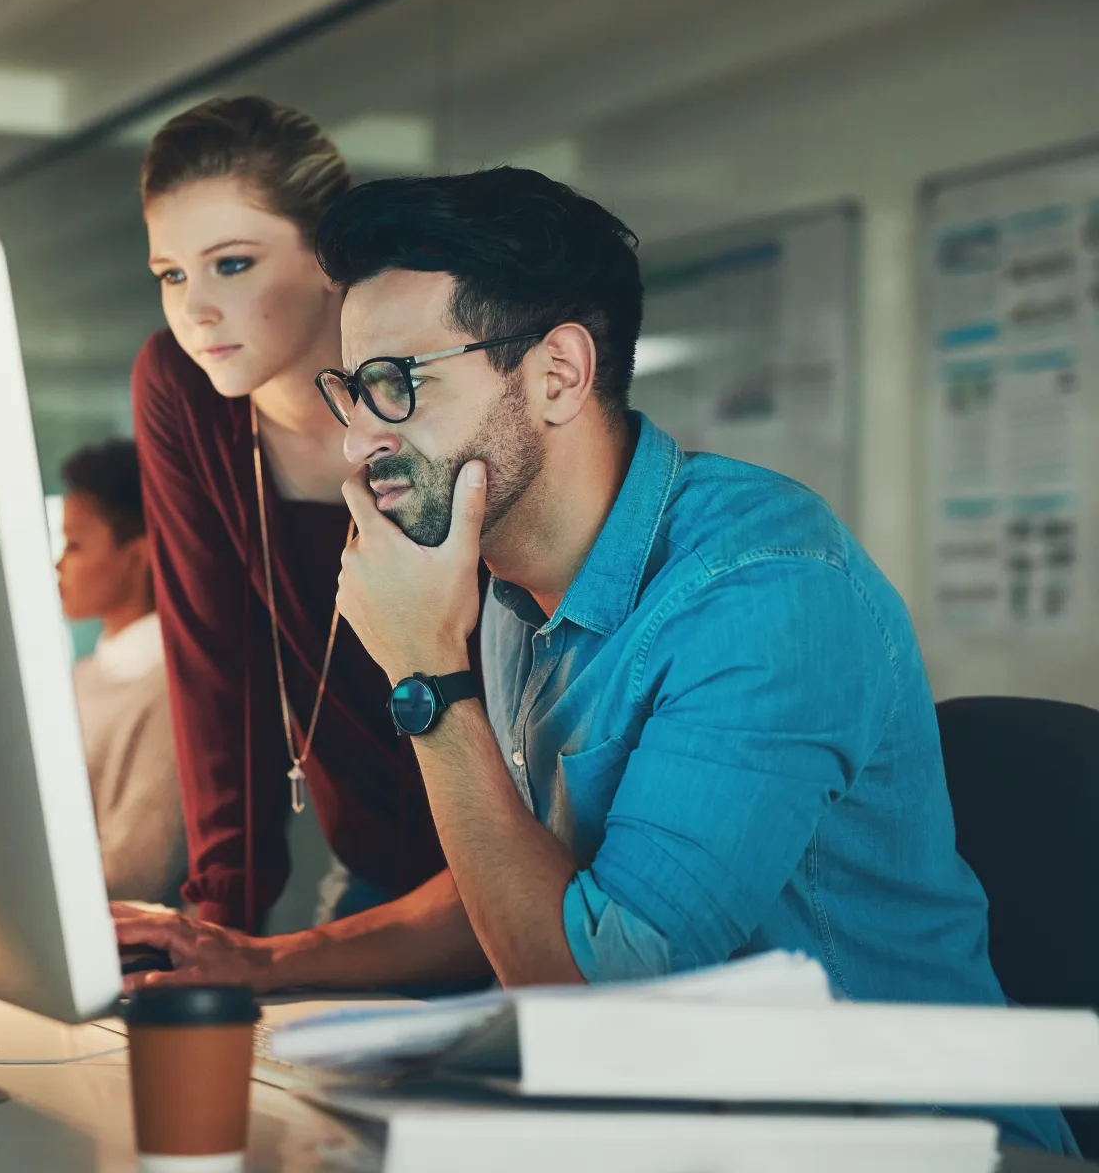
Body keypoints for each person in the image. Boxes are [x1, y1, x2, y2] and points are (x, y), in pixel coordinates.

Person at [114, 167, 1074, 1153]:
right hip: (692, 1123)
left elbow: (600, 995)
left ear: (558, 375)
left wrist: (428, 685)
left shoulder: (767, 593)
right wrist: (265, 962)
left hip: (913, 1141)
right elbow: (536, 871)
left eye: (397, 386)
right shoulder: (500, 579)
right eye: (351, 390)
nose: (360, 440)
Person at [132, 96, 477, 931]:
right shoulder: (181, 392)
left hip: (527, 869)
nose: (195, 310)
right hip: (373, 879)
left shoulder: (440, 386)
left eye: (233, 264)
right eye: (172, 274)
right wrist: (216, 923)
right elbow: (213, 663)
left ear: (329, 258)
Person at [57, 439, 185, 906]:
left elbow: (133, 877)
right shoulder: (84, 676)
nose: (58, 565)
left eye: (73, 545)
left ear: (138, 554)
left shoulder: (173, 694)